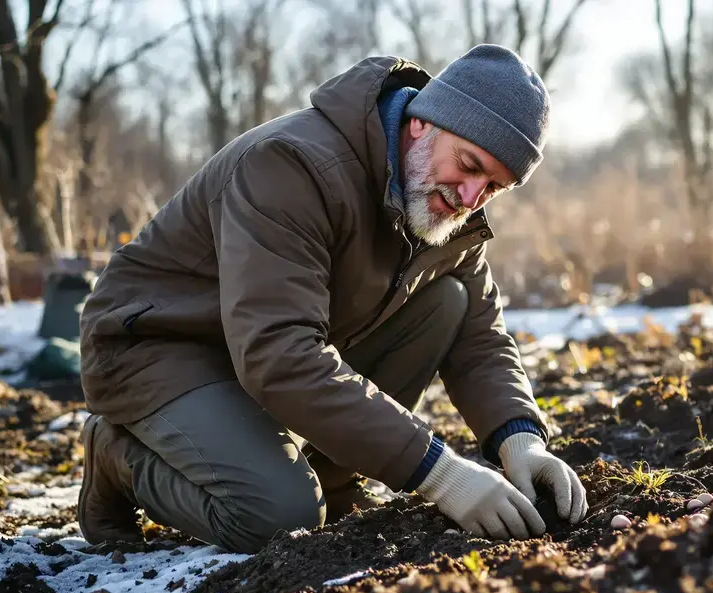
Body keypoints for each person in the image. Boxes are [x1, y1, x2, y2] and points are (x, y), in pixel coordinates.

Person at [75, 45, 588, 554]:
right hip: (160, 347)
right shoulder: (291, 165)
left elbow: (481, 336)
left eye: (494, 187)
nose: (471, 197)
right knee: (280, 517)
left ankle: (333, 480)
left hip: (256, 351)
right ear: (421, 122)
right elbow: (279, 353)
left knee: (447, 301)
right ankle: (116, 456)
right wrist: (441, 473)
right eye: (469, 164)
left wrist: (520, 441)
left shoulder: (444, 209)